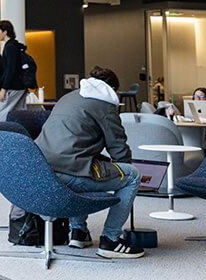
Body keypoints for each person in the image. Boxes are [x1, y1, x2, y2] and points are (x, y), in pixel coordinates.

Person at [34, 66, 144, 259]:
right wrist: (121, 169)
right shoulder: (105, 104)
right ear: (113, 89)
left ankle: (79, 232)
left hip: (43, 171)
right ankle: (111, 239)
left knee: (83, 167)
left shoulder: (68, 97)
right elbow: (118, 148)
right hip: (70, 171)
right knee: (131, 175)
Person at [0, 19, 28, 122]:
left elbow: (10, 70)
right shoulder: (15, 46)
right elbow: (10, 69)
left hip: (13, 86)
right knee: (19, 114)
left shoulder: (10, 47)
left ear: (5, 32)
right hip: (20, 86)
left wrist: (3, 89)